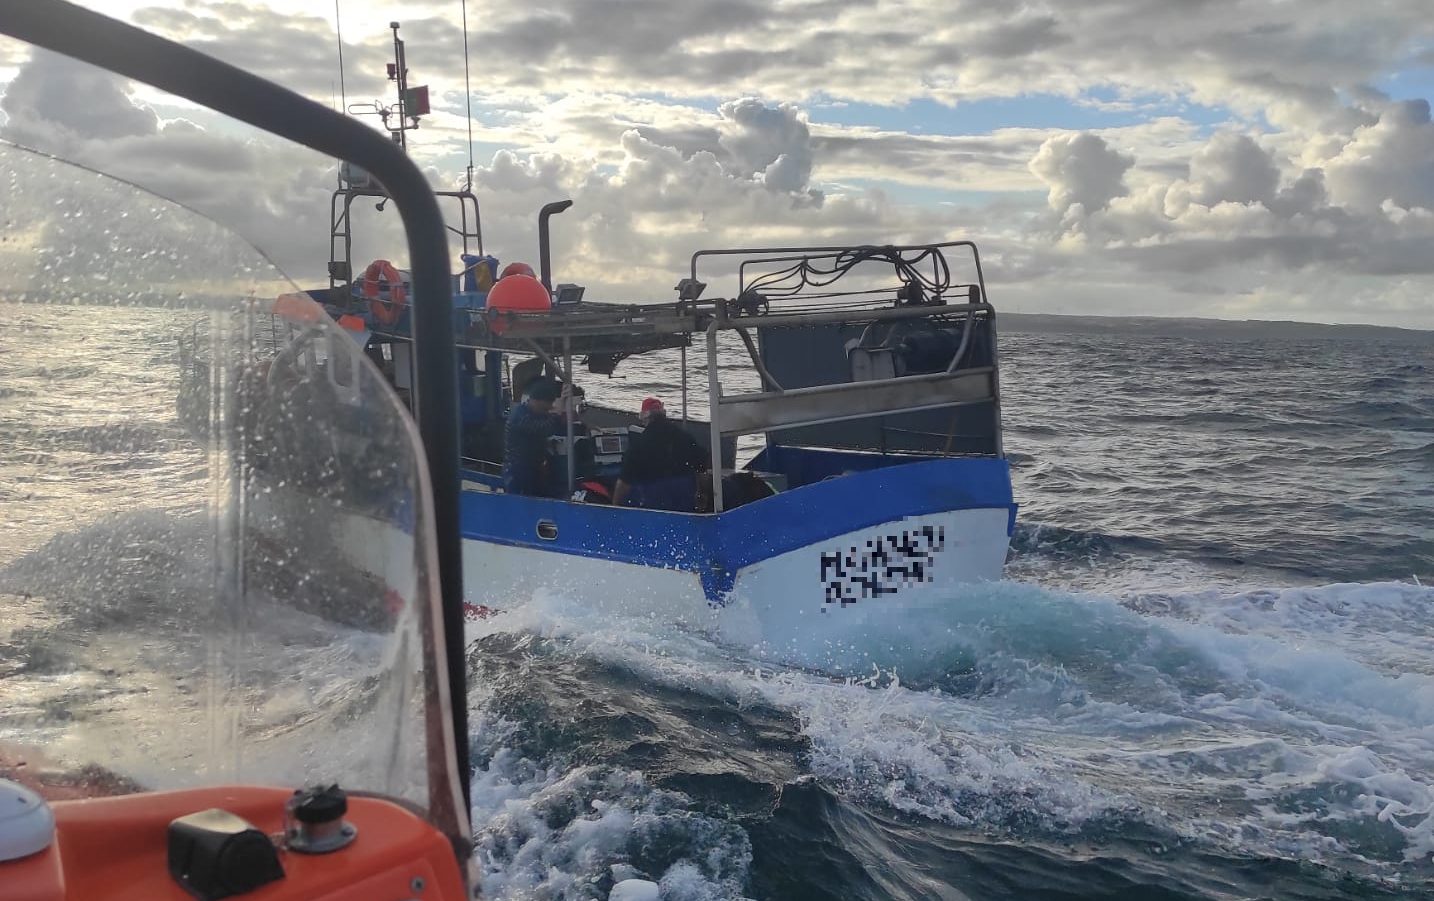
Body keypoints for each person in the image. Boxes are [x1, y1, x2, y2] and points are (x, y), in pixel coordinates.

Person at [612, 397, 709, 511]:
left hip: (656, 505)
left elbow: (623, 484)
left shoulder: (639, 445)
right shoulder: (685, 437)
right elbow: (702, 469)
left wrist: (615, 507)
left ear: (644, 417)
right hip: (685, 502)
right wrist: (702, 494)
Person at [502, 377, 562, 496]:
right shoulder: (519, 415)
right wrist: (557, 414)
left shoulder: (536, 413)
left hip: (535, 468)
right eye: (544, 409)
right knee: (521, 502)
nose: (546, 412)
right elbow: (542, 428)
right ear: (534, 400)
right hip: (518, 470)